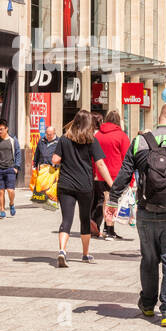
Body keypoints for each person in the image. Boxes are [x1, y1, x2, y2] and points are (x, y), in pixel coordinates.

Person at [106, 101, 166, 327]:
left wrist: (112, 200)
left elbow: (125, 173)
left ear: (159, 118)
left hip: (146, 210)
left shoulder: (140, 141)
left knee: (149, 259)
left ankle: (148, 304)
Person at [52, 110, 114, 267]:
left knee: (66, 219)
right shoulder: (91, 140)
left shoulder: (64, 139)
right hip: (85, 186)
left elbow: (55, 159)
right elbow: (100, 164)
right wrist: (112, 184)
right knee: (84, 220)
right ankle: (85, 254)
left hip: (65, 185)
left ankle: (62, 251)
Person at [93, 110, 130, 239]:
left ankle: (107, 228)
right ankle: (109, 230)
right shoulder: (121, 136)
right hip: (115, 173)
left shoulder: (97, 135)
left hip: (99, 173)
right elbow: (127, 157)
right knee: (111, 201)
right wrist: (130, 178)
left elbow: (93, 156)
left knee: (106, 200)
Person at [0, 118, 23, 219]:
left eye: (1, 129)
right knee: (1, 191)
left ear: (6, 129)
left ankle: (11, 204)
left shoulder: (13, 140)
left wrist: (16, 167)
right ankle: (2, 210)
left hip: (10, 168)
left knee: (10, 190)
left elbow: (18, 153)